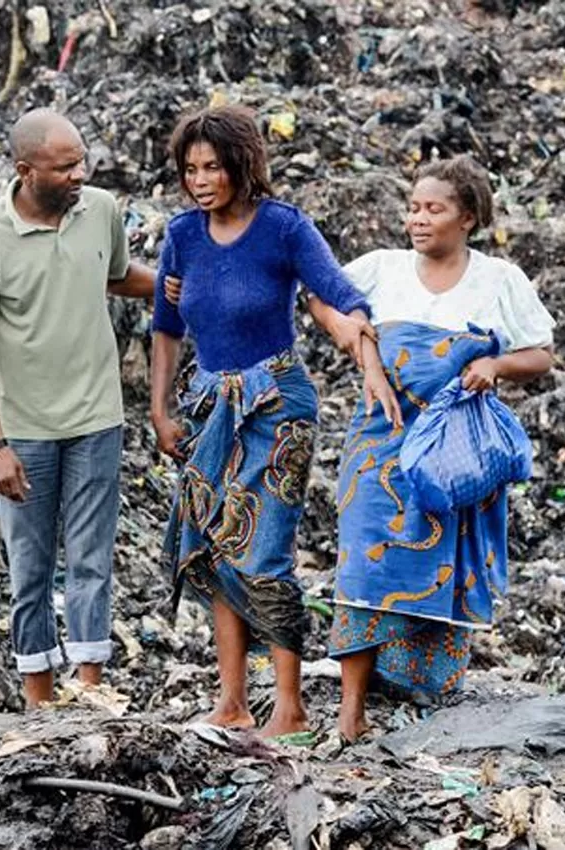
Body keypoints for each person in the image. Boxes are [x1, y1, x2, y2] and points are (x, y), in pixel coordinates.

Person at [149, 104, 397, 739]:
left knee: (265, 548)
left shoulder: (282, 227)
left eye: (214, 167)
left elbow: (336, 292)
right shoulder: (182, 235)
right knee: (210, 548)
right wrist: (159, 408)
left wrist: (362, 344)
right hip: (208, 405)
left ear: (242, 165)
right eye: (190, 169)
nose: (201, 179)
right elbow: (166, 329)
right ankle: (230, 700)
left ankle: (289, 704)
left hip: (276, 404)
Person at [325, 155, 556, 741]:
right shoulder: (381, 268)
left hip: (452, 453)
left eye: (435, 209)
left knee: (439, 566)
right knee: (364, 566)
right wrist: (363, 348)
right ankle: (351, 710)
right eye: (414, 208)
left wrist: (493, 364)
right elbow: (322, 296)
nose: (418, 220)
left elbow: (541, 353)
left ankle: (418, 701)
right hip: (379, 442)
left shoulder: (499, 279)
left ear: (468, 218)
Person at [0, 108, 157, 709]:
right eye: (65, 167)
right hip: (27, 429)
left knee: (93, 558)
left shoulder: (100, 212)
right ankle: (40, 701)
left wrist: (184, 283)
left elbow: (117, 276)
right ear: (25, 170)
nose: (78, 175)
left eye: (81, 163)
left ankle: (90, 689)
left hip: (98, 418)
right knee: (31, 567)